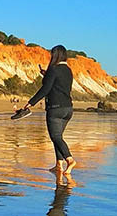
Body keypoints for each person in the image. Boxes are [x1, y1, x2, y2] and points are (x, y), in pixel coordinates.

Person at [14, 44, 76, 175]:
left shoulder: (54, 69)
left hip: (55, 108)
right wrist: (46, 74)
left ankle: (70, 160)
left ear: (55, 55)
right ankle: (59, 164)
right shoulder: (68, 70)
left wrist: (30, 103)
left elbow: (45, 89)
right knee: (58, 137)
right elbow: (58, 83)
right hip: (68, 109)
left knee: (56, 136)